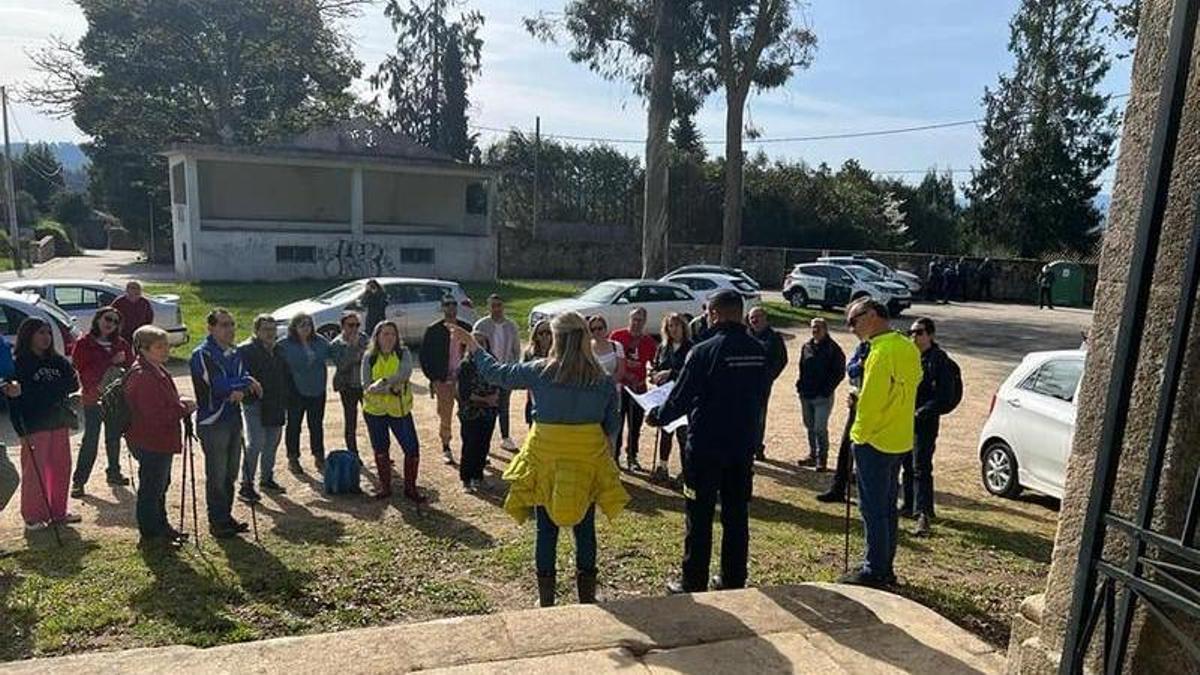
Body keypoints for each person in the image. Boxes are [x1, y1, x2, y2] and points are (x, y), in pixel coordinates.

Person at [447, 312, 628, 608]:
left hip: (546, 461)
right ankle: (587, 598)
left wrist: (473, 346)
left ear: (557, 339)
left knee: (546, 528)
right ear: (584, 338)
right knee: (585, 529)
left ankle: (546, 600)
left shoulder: (541, 371)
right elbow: (611, 425)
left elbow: (498, 373)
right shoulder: (603, 380)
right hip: (586, 462)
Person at [648, 291, 769, 594]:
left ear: (714, 314)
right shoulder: (758, 349)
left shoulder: (704, 351)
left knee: (699, 514)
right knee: (736, 513)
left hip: (705, 445)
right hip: (742, 444)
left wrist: (657, 416)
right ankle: (733, 578)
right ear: (739, 314)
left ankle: (693, 580)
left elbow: (681, 397)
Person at [839, 299, 922, 587]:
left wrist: (856, 435)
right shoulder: (906, 346)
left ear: (872, 316)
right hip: (898, 438)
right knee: (887, 506)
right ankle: (884, 565)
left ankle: (874, 568)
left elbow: (872, 402)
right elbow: (914, 382)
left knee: (872, 507)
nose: (851, 328)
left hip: (874, 440)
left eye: (854, 321)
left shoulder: (880, 351)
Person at [124, 325, 196, 547]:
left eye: (166, 345)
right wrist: (183, 409)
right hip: (150, 440)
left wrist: (179, 403)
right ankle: (151, 535)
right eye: (159, 346)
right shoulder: (144, 375)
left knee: (159, 486)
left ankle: (162, 527)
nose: (166, 350)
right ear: (143, 349)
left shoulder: (156, 369)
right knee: (151, 488)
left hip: (158, 440)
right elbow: (154, 415)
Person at [190, 308, 259, 539]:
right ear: (211, 328)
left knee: (230, 473)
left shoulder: (235, 351)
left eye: (232, 325)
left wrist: (244, 382)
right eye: (224, 325)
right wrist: (242, 384)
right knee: (217, 475)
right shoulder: (202, 354)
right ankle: (217, 521)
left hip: (233, 418)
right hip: (213, 421)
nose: (229, 329)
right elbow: (217, 386)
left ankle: (226, 516)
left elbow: (243, 378)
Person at [11, 317, 82, 531]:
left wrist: (72, 394)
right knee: (35, 471)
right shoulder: (20, 364)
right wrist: (19, 429)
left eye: (48, 333)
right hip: (34, 424)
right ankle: (34, 516)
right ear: (28, 335)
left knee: (61, 467)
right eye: (40, 333)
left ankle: (58, 512)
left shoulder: (57, 361)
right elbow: (15, 399)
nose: (45, 337)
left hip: (58, 421)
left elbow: (73, 384)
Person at [70, 307, 134, 496]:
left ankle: (114, 472)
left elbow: (131, 367)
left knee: (113, 438)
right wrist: (111, 360)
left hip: (115, 398)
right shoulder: (83, 343)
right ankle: (79, 481)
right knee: (91, 439)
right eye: (108, 319)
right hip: (93, 397)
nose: (111, 324)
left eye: (115, 322)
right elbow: (81, 369)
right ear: (98, 319)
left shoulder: (121, 343)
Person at [901, 317, 956, 537]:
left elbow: (945, 395)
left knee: (921, 465)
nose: (914, 336)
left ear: (931, 335)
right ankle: (908, 505)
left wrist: (923, 411)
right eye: (911, 332)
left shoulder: (939, 360)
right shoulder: (909, 356)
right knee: (905, 461)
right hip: (905, 418)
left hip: (925, 420)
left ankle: (923, 513)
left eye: (919, 332)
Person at [361, 320, 423, 501]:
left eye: (392, 334)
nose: (389, 338)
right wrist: (391, 386)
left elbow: (404, 374)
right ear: (377, 337)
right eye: (385, 334)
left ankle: (410, 488)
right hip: (375, 411)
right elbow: (366, 385)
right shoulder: (369, 356)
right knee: (380, 448)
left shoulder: (403, 353)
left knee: (412, 449)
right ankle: (385, 487)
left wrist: (383, 383)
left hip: (400, 411)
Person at [237, 315, 290, 502]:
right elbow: (240, 375)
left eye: (273, 329)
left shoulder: (279, 350)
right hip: (254, 403)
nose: (270, 333)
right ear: (256, 331)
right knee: (256, 443)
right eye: (266, 329)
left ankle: (266, 478)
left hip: (276, 402)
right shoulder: (245, 350)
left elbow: (286, 375)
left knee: (272, 443)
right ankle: (246, 485)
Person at [815, 338, 870, 503]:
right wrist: (860, 364)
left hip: (877, 407)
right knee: (846, 447)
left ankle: (869, 495)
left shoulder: (887, 348)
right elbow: (851, 370)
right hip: (857, 402)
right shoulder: (863, 347)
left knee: (869, 451)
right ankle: (838, 489)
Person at [419, 296, 473, 465]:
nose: (451, 307)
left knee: (469, 414)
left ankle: (471, 447)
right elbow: (424, 357)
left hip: (463, 379)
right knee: (445, 415)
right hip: (443, 380)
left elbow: (475, 351)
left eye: (453, 304)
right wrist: (434, 378)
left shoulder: (465, 328)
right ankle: (446, 446)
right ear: (442, 307)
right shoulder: (433, 330)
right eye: (447, 305)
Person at [280, 312, 331, 474]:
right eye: (301, 325)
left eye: (308, 324)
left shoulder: (320, 342)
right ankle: (293, 457)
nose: (305, 328)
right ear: (294, 327)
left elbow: (335, 352)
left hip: (317, 388)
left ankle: (318, 455)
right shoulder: (284, 344)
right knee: (294, 424)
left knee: (316, 424)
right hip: (295, 390)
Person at [473, 294, 522, 452]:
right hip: (487, 373)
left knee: (504, 406)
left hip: (506, 372)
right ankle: (484, 445)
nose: (496, 308)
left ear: (503, 306)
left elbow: (516, 350)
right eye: (493, 305)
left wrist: (513, 368)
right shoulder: (481, 325)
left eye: (499, 305)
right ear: (489, 307)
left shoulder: (511, 326)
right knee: (487, 407)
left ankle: (505, 437)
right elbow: (475, 349)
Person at [796, 318, 846, 471]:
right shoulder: (806, 347)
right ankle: (812, 455)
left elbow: (839, 372)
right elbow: (802, 367)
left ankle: (822, 459)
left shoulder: (833, 349)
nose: (815, 330)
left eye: (818, 327)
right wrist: (800, 385)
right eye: (813, 327)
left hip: (822, 397)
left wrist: (827, 389)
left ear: (825, 329)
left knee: (819, 428)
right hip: (806, 394)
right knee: (809, 426)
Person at [610, 307, 657, 471]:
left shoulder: (649, 342)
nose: (636, 323)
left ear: (645, 321)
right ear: (629, 319)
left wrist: (653, 375)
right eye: (634, 319)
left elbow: (654, 364)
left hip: (639, 388)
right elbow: (611, 361)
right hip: (620, 387)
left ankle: (632, 456)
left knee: (635, 425)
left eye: (640, 320)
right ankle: (614, 457)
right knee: (617, 423)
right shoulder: (617, 337)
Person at [648, 313, 691, 485]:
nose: (673, 329)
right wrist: (654, 375)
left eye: (676, 325)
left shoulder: (691, 348)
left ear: (683, 327)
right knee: (665, 432)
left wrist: (671, 374)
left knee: (683, 435)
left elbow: (691, 374)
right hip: (664, 396)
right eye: (670, 326)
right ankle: (662, 467)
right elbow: (656, 366)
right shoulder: (663, 347)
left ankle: (686, 471)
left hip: (683, 398)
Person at [457, 332, 500, 492]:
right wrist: (486, 400)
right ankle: (467, 479)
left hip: (489, 412)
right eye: (476, 342)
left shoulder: (493, 363)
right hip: (471, 412)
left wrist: (494, 398)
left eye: (483, 342)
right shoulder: (465, 365)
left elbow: (499, 383)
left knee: (484, 445)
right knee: (470, 446)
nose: (480, 346)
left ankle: (479, 476)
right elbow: (464, 393)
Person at [747, 306, 787, 461]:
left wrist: (769, 376)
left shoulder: (774, 338)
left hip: (761, 386)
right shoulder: (745, 335)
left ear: (765, 318)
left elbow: (782, 360)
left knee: (758, 418)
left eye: (758, 317)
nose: (755, 320)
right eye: (752, 318)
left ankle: (757, 448)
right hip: (743, 385)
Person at [330, 312, 369, 455]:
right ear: (343, 326)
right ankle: (353, 452)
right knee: (350, 420)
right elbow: (342, 365)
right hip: (347, 387)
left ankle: (380, 452)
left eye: (357, 325)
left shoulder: (364, 338)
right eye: (350, 325)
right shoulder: (336, 344)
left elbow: (369, 359)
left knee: (373, 419)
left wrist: (356, 354)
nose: (354, 329)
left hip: (364, 385)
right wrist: (353, 349)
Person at [523, 319, 553, 427]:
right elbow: (524, 375)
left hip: (552, 398)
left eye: (548, 332)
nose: (545, 336)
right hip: (534, 397)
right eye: (541, 333)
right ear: (535, 335)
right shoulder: (529, 354)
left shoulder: (557, 353)